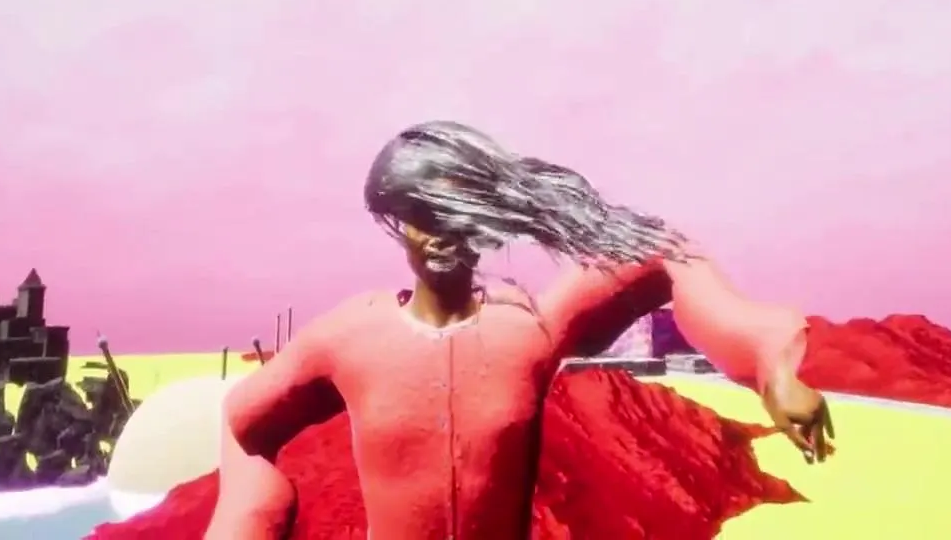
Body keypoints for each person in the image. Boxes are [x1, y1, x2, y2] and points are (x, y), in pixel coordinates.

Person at [207, 121, 833, 540]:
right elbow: (243, 424)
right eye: (421, 215)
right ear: (397, 224)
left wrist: (767, 366)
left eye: (455, 212)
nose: (439, 233)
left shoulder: (527, 331)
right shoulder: (349, 340)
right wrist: (250, 517)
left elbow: (660, 254)